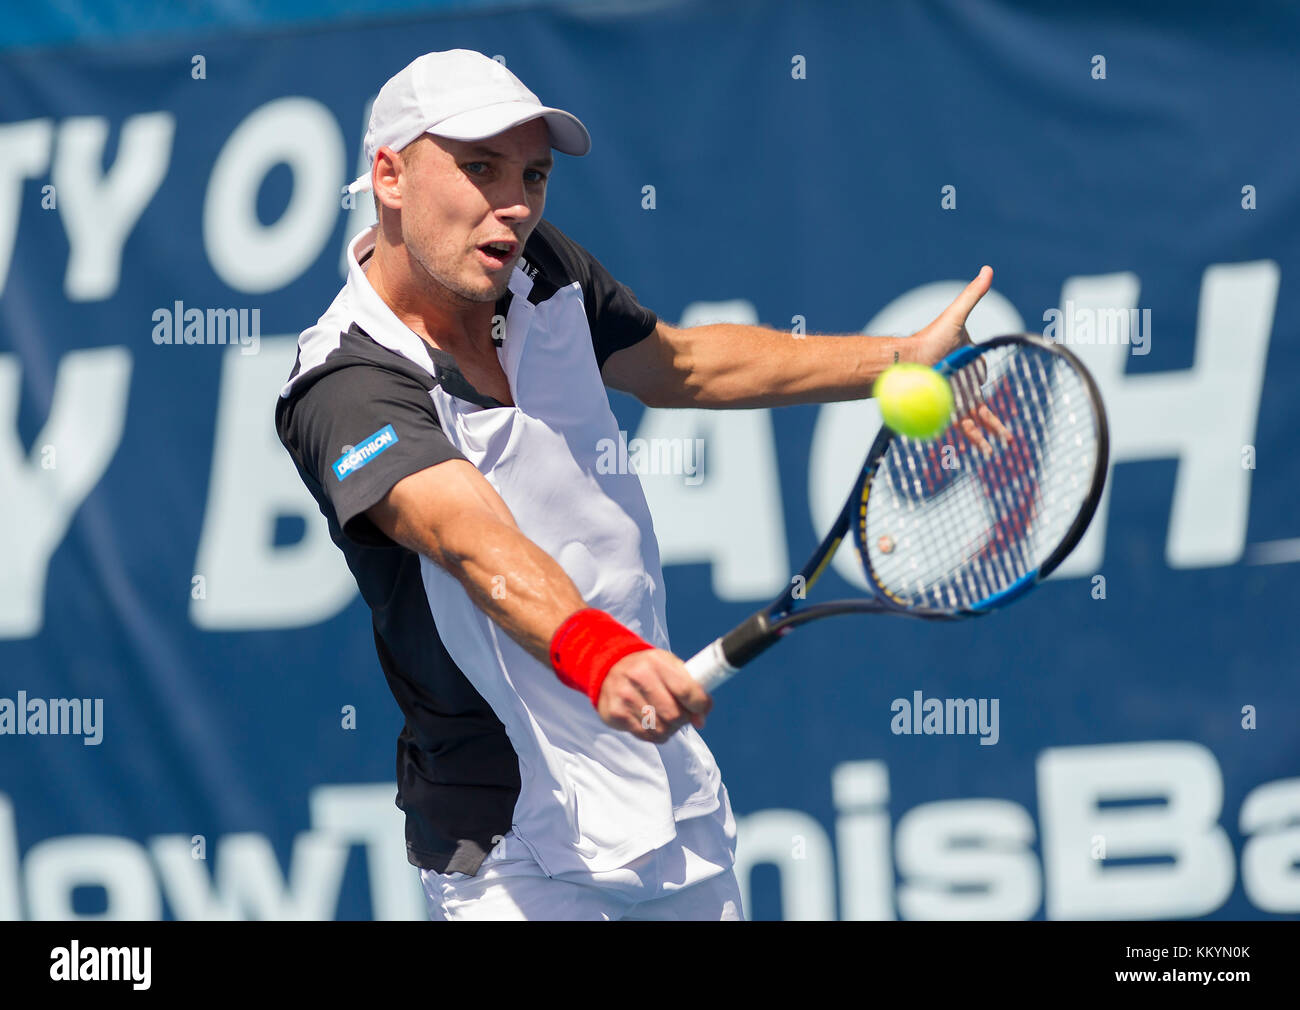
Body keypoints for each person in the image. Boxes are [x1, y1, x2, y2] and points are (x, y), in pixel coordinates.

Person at [275, 49, 994, 921]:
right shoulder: (345, 382)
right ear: (389, 175)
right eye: (478, 169)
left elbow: (681, 365)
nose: (513, 204)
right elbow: (469, 537)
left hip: (670, 803)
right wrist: (597, 651)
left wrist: (897, 360)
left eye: (533, 175)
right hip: (510, 849)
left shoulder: (539, 269)